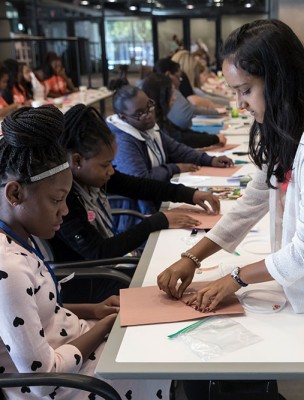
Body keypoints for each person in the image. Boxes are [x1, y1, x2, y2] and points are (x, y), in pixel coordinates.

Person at [157, 19, 304, 400]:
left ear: (279, 79)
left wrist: (234, 277)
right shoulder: (286, 123)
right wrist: (193, 255)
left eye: (246, 91)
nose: (240, 103)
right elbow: (253, 199)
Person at [0, 104, 171, 400]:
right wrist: (104, 325)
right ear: (15, 194)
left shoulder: (17, 239)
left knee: (156, 338)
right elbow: (43, 380)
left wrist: (93, 310)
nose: (65, 211)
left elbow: (40, 315)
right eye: (57, 200)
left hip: (75, 345)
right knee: (157, 360)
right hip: (69, 385)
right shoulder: (8, 269)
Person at [51, 103, 220, 302]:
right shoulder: (64, 198)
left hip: (104, 268)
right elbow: (99, 252)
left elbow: (139, 185)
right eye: (105, 165)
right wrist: (157, 221)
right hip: (85, 281)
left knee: (168, 270)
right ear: (77, 161)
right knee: (163, 284)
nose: (111, 171)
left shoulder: (88, 177)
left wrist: (190, 194)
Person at [106, 84, 233, 215]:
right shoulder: (122, 141)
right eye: (139, 113)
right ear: (123, 117)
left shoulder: (147, 126)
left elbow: (177, 149)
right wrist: (174, 168)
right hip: (141, 212)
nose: (148, 114)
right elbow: (142, 181)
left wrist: (209, 160)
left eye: (149, 106)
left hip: (161, 196)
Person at [141, 72, 227, 148]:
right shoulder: (154, 124)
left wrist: (213, 137)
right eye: (171, 93)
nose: (174, 98)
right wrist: (214, 139)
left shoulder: (160, 118)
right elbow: (181, 138)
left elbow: (182, 133)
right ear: (162, 97)